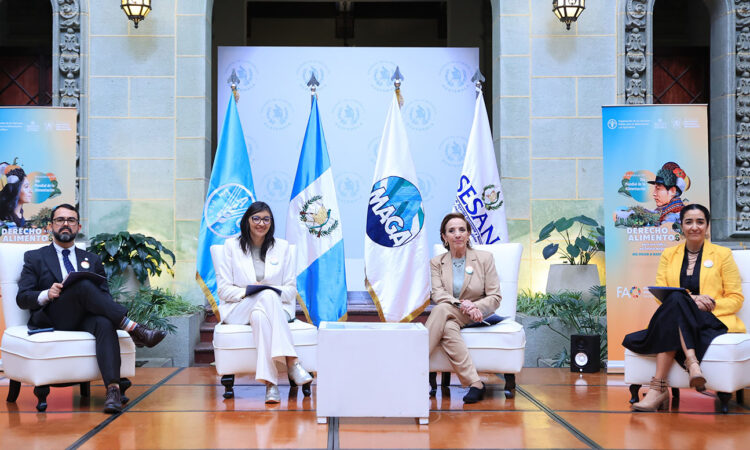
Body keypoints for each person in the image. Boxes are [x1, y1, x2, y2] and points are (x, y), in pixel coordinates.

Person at [16, 204, 167, 414]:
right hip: (54, 317)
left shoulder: (92, 259)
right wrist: (46, 294)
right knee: (83, 285)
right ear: (50, 226)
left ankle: (113, 391)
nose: (65, 224)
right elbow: (22, 298)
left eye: (71, 220)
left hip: (85, 318)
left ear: (78, 227)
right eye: (60, 220)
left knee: (104, 323)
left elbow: (104, 296)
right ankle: (134, 328)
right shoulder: (35, 257)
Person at [623, 204, 745, 411]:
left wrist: (707, 305)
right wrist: (691, 300)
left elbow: (736, 299)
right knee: (676, 299)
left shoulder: (723, 254)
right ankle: (692, 362)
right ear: (681, 226)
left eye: (700, 222)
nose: (694, 227)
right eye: (689, 222)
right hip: (678, 316)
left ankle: (658, 388)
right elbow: (661, 295)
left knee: (677, 301)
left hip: (709, 319)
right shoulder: (668, 254)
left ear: (707, 226)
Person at [215, 201, 313, 404]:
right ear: (247, 221)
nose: (261, 223)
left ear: (271, 222)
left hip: (276, 308)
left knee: (261, 314)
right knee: (266, 295)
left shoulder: (282, 247)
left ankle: (271, 385)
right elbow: (223, 290)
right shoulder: (231, 247)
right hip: (238, 309)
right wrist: (250, 290)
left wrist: (268, 290)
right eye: (256, 218)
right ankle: (292, 362)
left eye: (266, 219)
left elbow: (290, 290)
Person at [425, 212, 501, 404]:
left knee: (440, 310)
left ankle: (411, 366)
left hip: (478, 315)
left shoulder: (485, 258)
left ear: (468, 234)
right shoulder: (436, 263)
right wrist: (462, 304)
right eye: (451, 231)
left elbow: (495, 296)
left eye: (461, 229)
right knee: (447, 325)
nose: (457, 234)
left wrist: (475, 306)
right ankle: (476, 384)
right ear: (444, 236)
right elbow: (438, 294)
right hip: (452, 313)